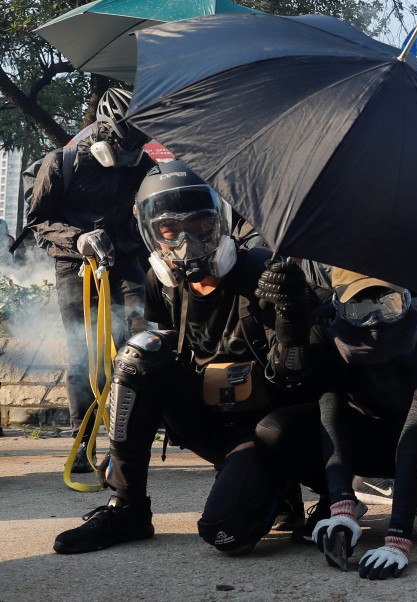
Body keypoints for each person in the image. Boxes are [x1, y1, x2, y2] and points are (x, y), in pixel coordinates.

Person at [53, 161, 315, 555]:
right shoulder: (160, 282)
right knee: (139, 351)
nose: (187, 243)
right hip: (205, 420)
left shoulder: (265, 274)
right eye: (170, 230)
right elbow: (153, 374)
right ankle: (128, 508)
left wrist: (293, 312)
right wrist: (120, 449)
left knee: (225, 532)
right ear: (152, 235)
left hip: (263, 427)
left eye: (200, 225)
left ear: (220, 225)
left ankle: (277, 485)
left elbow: (296, 378)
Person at [258, 267, 417, 579]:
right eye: (359, 308)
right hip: (362, 432)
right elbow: (332, 416)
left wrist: (398, 538)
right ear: (339, 306)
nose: (375, 322)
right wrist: (341, 504)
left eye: (388, 305)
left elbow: (415, 433)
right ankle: (340, 502)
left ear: (407, 297)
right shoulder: (325, 325)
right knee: (274, 431)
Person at [27, 88, 156, 473]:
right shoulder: (61, 162)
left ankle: (128, 442)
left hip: (126, 259)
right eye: (123, 143)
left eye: (137, 144)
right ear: (103, 131)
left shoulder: (141, 163)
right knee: (84, 354)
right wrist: (79, 238)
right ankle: (82, 443)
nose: (129, 153)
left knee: (140, 345)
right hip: (75, 265)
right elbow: (38, 222)